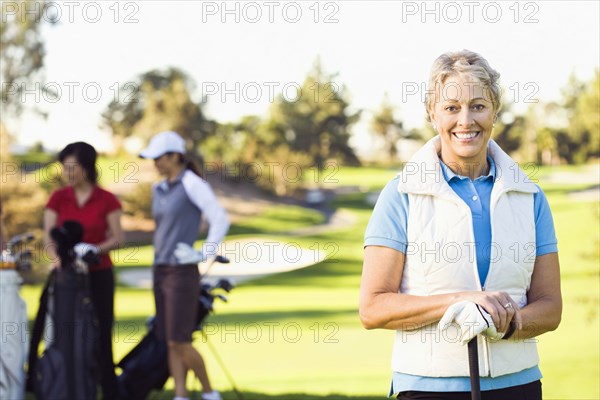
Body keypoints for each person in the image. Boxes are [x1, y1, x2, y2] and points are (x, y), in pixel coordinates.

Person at [359, 50, 562, 400]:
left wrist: (509, 323)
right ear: (432, 114)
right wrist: (462, 301)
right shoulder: (402, 194)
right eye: (452, 108)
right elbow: (373, 308)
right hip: (428, 389)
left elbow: (550, 306)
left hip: (519, 386)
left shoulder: (530, 197)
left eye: (478, 106)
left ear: (495, 112)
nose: (465, 121)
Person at [139, 131, 229, 400]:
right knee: (169, 341)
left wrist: (204, 253)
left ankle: (210, 393)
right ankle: (180, 394)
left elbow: (220, 218)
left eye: (158, 157)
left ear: (175, 156)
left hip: (182, 273)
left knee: (180, 340)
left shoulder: (191, 183)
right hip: (161, 270)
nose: (155, 163)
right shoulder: (159, 188)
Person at [44, 142, 124, 399]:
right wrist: (56, 257)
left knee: (101, 333)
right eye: (64, 168)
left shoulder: (106, 199)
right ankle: (68, 389)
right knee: (66, 334)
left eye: (72, 168)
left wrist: (93, 250)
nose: (67, 173)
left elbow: (118, 238)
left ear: (87, 168)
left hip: (99, 274)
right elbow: (49, 237)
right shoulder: (58, 198)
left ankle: (108, 392)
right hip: (66, 278)